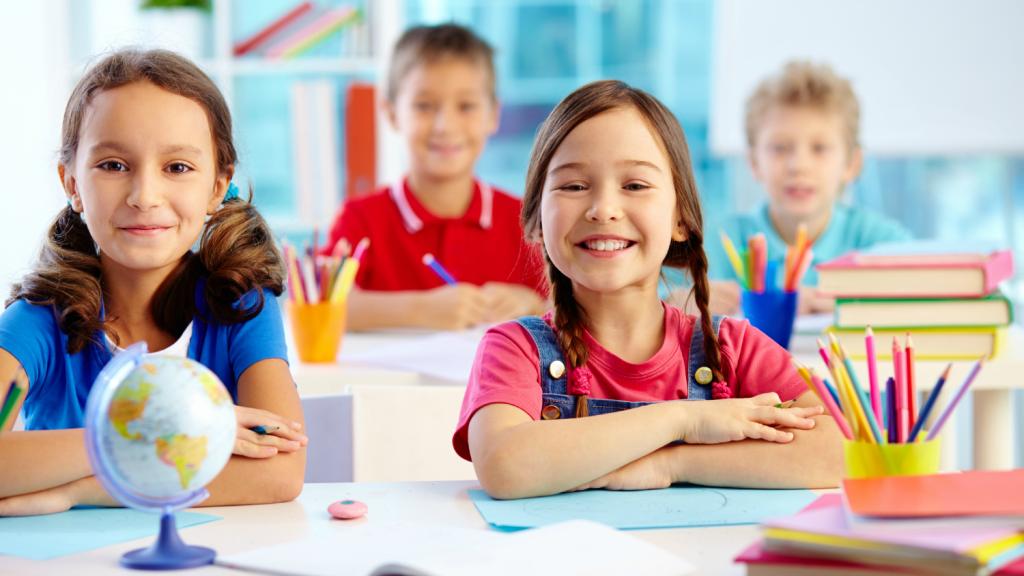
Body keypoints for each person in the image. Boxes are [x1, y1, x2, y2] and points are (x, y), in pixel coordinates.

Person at [454, 80, 842, 499]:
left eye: (635, 186)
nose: (603, 208)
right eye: (573, 186)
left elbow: (840, 449)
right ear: (535, 219)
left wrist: (671, 463)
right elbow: (505, 466)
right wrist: (681, 422)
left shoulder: (734, 349)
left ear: (681, 219)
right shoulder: (514, 349)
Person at [0, 49, 306, 516]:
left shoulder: (241, 307)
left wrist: (78, 490)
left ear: (217, 187)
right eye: (114, 166)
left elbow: (280, 471)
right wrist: (171, 436)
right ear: (72, 184)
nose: (145, 196)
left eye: (177, 167)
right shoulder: (38, 321)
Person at [322, 23, 546, 331]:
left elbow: (577, 309)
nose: (444, 126)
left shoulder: (526, 222)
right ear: (390, 113)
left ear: (493, 115)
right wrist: (420, 310)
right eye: (424, 106)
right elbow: (320, 306)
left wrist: (530, 303)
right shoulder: (360, 220)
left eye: (466, 106)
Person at [669, 61, 910, 315]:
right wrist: (683, 301)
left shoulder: (881, 245)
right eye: (780, 148)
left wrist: (846, 305)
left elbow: (924, 302)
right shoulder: (714, 244)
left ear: (852, 163)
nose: (799, 166)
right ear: (754, 162)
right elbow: (649, 302)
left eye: (819, 149)